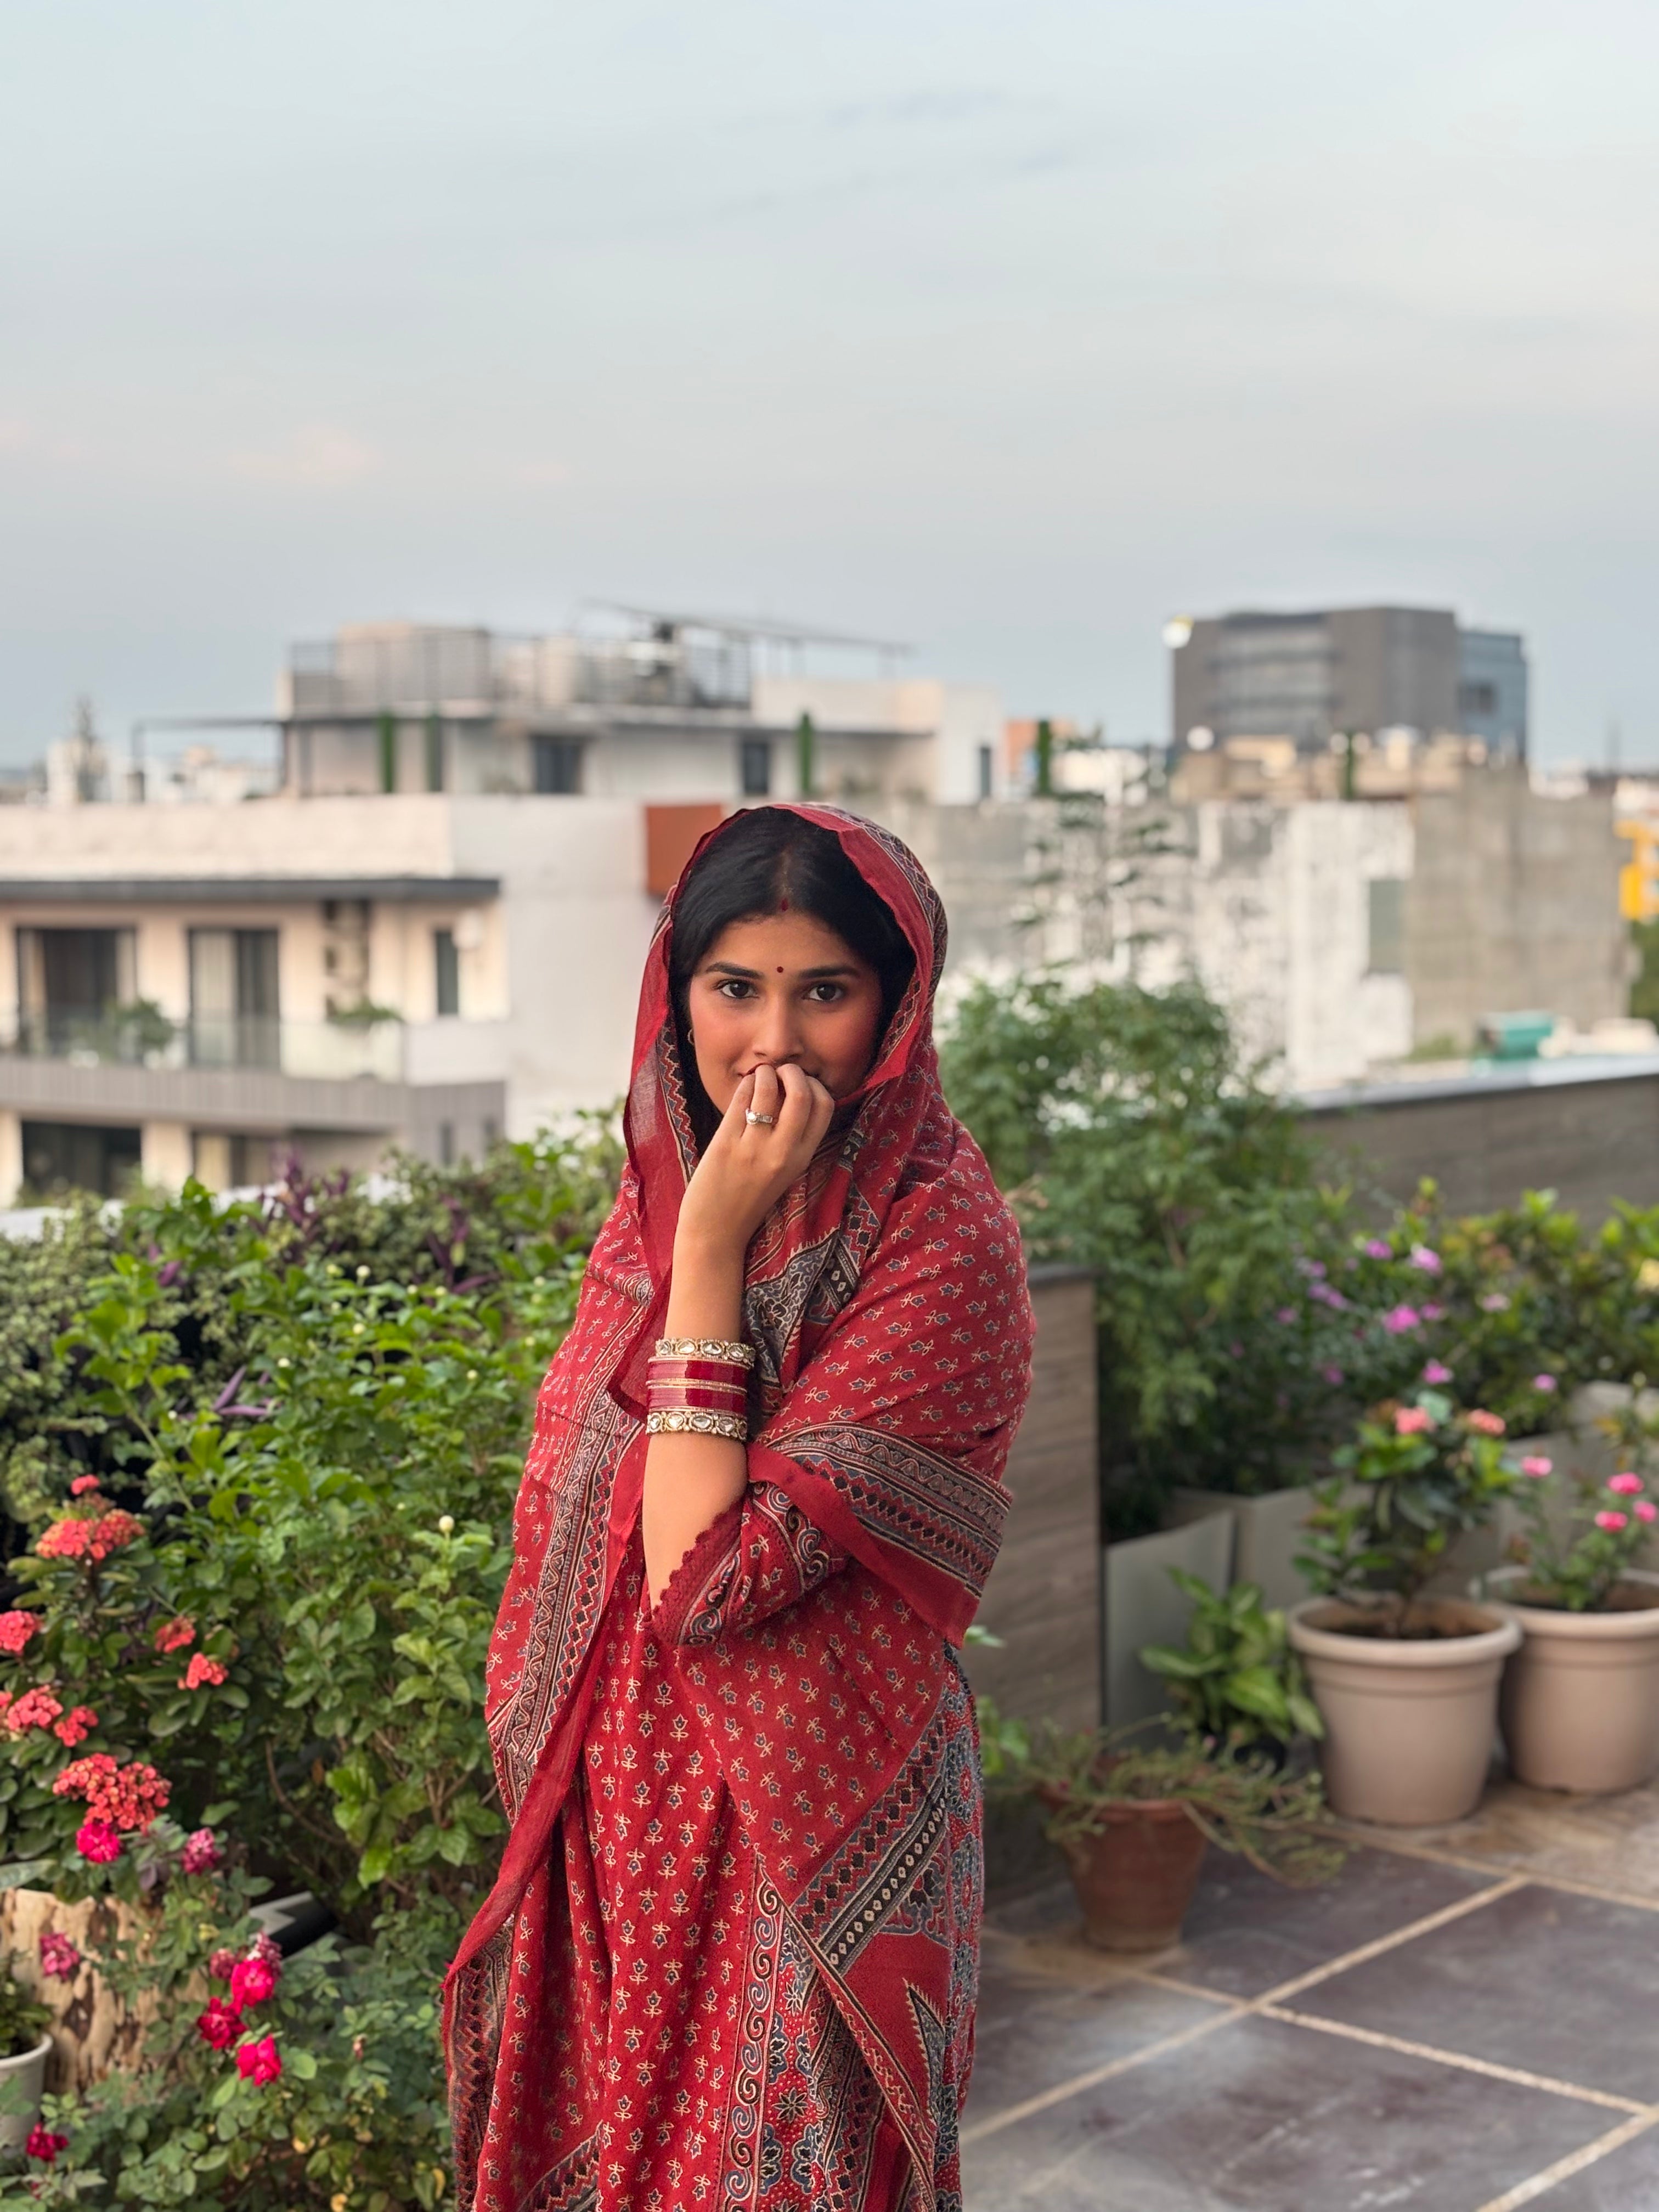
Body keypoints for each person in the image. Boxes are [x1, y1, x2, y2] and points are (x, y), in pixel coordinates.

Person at [446, 803, 1034, 2212]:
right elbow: (578, 1507)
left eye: (823, 990)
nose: (772, 1041)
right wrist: (697, 1221)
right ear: (680, 992)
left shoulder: (943, 1234)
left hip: (809, 1823)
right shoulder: (651, 1200)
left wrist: (711, 1249)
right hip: (622, 1802)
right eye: (735, 988)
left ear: (896, 1006)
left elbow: (704, 1577)